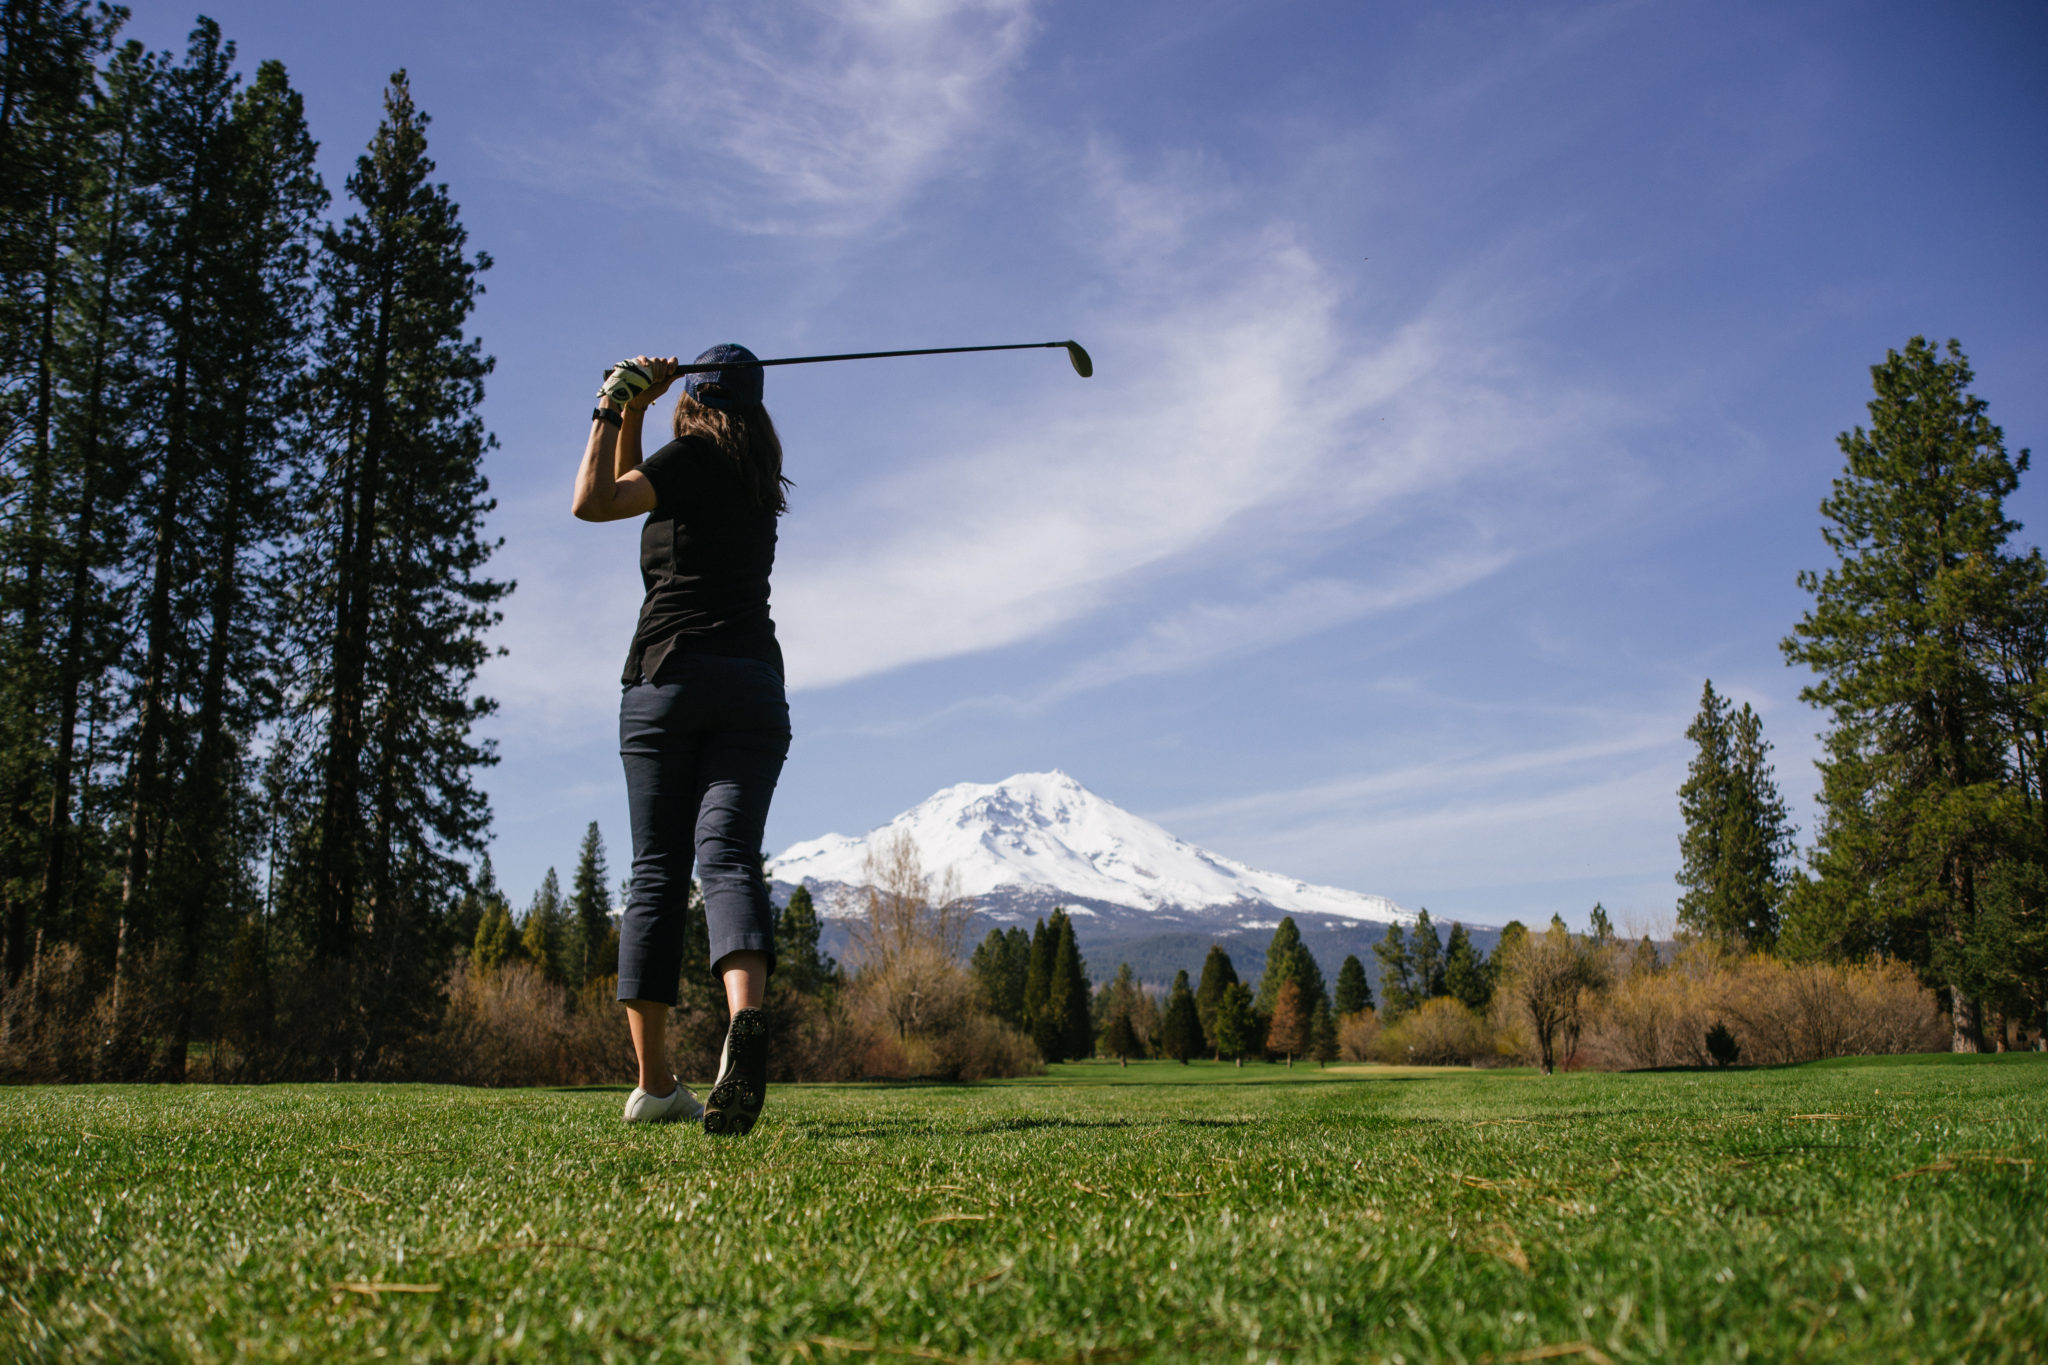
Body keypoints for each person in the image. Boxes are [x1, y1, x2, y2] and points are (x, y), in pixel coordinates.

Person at [571, 344, 793, 1136]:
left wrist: (610, 402)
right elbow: (640, 494)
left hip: (668, 680)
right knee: (728, 858)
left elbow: (594, 501)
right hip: (755, 689)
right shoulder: (755, 476)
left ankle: (658, 1081)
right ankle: (744, 1022)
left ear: (691, 399)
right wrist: (634, 410)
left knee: (658, 871)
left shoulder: (691, 455)